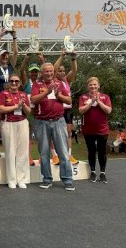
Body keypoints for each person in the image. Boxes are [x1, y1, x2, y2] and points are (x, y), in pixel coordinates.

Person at [30, 63, 75, 191]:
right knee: (44, 153)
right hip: (41, 122)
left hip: (58, 121)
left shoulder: (59, 83)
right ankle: (47, 179)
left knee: (63, 152)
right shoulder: (37, 85)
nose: (49, 73)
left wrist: (58, 95)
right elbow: (33, 100)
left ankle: (67, 179)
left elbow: (69, 101)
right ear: (41, 73)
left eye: (51, 71)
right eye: (46, 71)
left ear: (53, 72)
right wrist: (48, 92)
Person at [0, 74, 31, 189]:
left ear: (20, 83)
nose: (14, 83)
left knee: (22, 152)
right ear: (9, 82)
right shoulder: (3, 94)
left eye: (16, 81)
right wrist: (16, 106)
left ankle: (21, 179)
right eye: (12, 81)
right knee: (10, 152)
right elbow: (1, 109)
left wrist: (23, 105)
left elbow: (28, 112)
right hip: (8, 123)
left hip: (22, 122)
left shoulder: (23, 94)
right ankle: (11, 179)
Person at [78, 77, 112, 183]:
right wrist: (91, 101)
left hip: (102, 129)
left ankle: (102, 173)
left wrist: (98, 101)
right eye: (91, 85)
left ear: (98, 86)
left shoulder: (105, 97)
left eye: (95, 85)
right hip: (88, 130)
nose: (93, 86)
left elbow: (108, 110)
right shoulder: (83, 97)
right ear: (87, 86)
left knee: (102, 152)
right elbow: (81, 111)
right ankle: (92, 172)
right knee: (91, 151)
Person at [54, 50, 79, 165]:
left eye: (64, 71)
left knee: (69, 134)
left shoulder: (66, 80)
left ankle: (69, 155)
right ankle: (55, 155)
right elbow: (54, 68)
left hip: (68, 109)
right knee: (55, 134)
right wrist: (62, 56)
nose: (62, 72)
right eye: (60, 71)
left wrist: (73, 59)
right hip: (58, 109)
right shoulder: (54, 79)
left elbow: (74, 70)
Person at [20, 53, 45, 166]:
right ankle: (29, 157)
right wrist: (25, 59)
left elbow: (48, 71)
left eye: (36, 71)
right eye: (32, 71)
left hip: (39, 112)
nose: (34, 73)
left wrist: (42, 60)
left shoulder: (41, 82)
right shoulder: (26, 82)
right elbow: (21, 71)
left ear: (38, 72)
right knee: (28, 136)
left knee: (41, 136)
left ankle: (42, 157)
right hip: (28, 113)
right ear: (29, 72)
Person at [0, 28, 18, 100]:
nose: (5, 57)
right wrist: (0, 36)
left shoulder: (10, 66)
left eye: (6, 55)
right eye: (3, 55)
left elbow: (15, 53)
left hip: (10, 95)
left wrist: (14, 37)